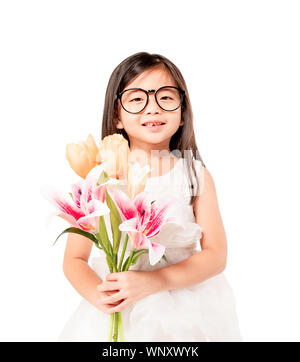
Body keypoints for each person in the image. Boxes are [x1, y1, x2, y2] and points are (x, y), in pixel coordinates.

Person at [58, 52, 242, 342]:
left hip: (187, 308)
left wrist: (155, 281)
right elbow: (74, 258)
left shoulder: (194, 175)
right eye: (136, 99)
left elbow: (216, 255)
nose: (153, 109)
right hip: (120, 307)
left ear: (183, 113)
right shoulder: (101, 175)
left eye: (166, 98)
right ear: (117, 116)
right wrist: (99, 297)